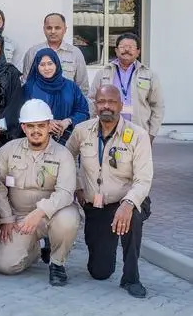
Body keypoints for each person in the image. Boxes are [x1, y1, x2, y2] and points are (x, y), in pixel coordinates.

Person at [66, 85, 153, 298]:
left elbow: (144, 179)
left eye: (112, 102)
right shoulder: (82, 131)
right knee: (99, 272)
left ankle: (131, 278)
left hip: (126, 201)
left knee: (132, 219)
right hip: (96, 206)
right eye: (102, 101)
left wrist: (129, 203)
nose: (106, 106)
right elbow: (66, 158)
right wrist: (77, 184)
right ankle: (107, 246)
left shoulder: (138, 136)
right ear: (95, 104)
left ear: (120, 105)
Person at [0, 99, 79, 286]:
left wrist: (39, 212)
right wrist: (6, 218)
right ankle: (36, 249)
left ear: (49, 126)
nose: (36, 130)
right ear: (23, 127)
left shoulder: (63, 155)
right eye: (30, 126)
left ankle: (57, 263)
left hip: (51, 215)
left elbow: (65, 192)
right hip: (18, 217)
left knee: (68, 219)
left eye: (41, 125)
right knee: (6, 266)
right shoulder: (8, 151)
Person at [89, 33, 164, 143]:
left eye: (131, 47)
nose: (126, 50)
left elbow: (157, 106)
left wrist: (151, 134)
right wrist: (92, 127)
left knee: (137, 160)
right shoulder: (104, 73)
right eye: (123, 47)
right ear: (116, 50)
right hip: (108, 129)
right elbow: (92, 100)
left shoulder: (149, 75)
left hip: (138, 130)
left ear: (138, 51)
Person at [24, 48, 90, 145]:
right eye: (42, 64)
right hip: (37, 142)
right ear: (36, 66)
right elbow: (21, 114)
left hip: (68, 142)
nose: (47, 68)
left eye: (50, 63)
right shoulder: (29, 88)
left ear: (57, 64)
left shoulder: (70, 86)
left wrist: (67, 121)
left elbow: (83, 111)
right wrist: (45, 123)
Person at [21, 13, 89, 91]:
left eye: (57, 28)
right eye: (49, 28)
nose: (53, 31)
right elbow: (26, 83)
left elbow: (83, 87)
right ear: (44, 29)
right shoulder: (33, 52)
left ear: (65, 29)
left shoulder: (75, 53)